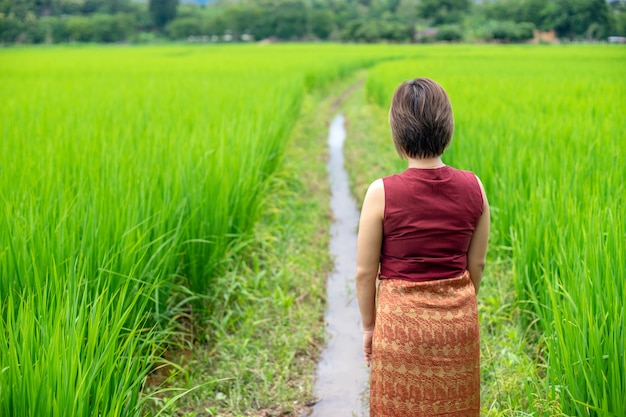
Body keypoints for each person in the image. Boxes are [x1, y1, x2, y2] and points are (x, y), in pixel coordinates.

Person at [355, 78, 490, 416]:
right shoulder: (474, 187)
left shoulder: (381, 192)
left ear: (397, 136)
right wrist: (456, 304)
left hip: (398, 328)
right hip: (457, 329)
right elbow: (478, 266)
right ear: (448, 129)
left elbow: (364, 273)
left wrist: (370, 327)